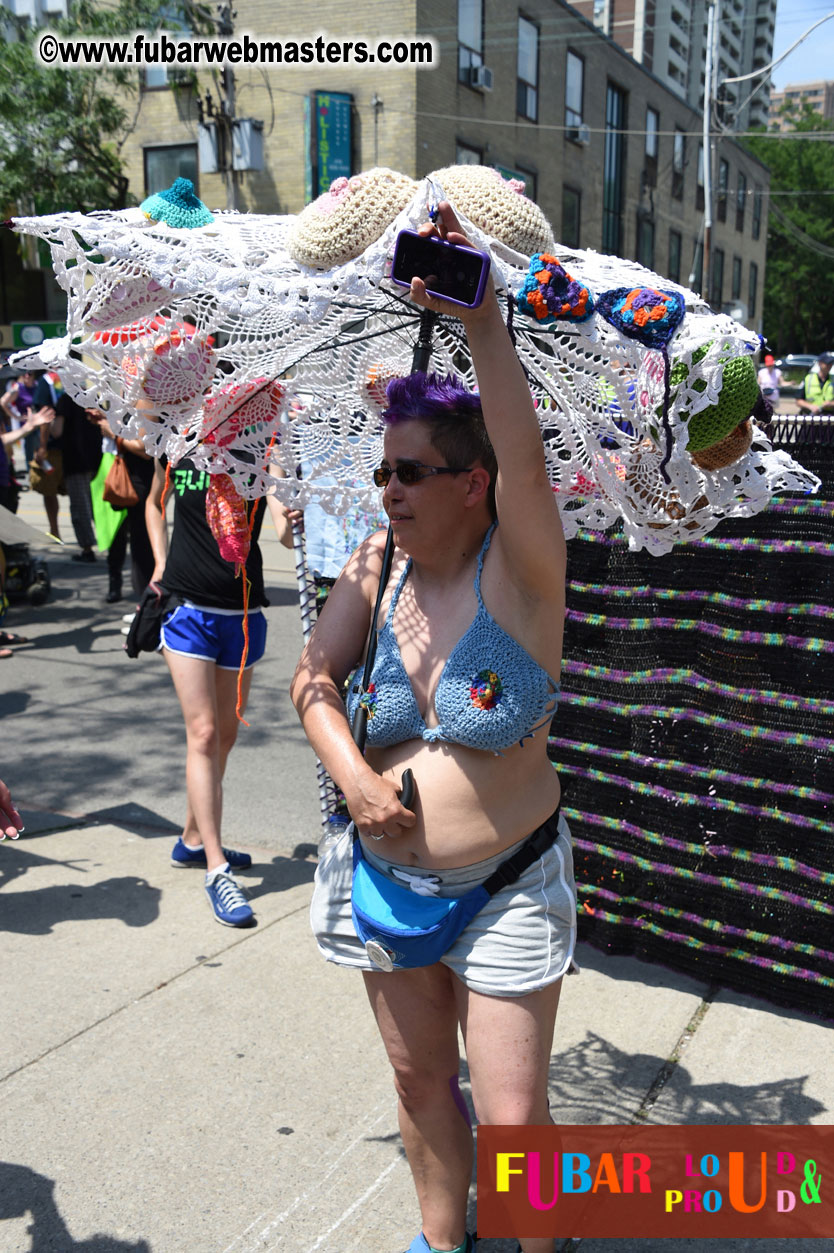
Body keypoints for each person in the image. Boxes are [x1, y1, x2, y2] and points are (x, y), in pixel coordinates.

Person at [291, 202, 573, 1253]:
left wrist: (481, 318)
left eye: (408, 472)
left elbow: (531, 463)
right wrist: (355, 781)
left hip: (508, 880)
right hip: (386, 881)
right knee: (418, 1082)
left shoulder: (524, 572)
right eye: (382, 470)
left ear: (470, 480)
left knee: (512, 1120)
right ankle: (438, 1240)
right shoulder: (377, 564)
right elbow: (310, 679)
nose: (388, 490)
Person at [146, 454, 295, 927]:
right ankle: (216, 868)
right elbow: (153, 504)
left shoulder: (261, 453)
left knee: (225, 736)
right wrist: (160, 562)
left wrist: (293, 510)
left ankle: (192, 839)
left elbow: (286, 534)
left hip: (243, 614)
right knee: (205, 734)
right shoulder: (177, 446)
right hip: (188, 610)